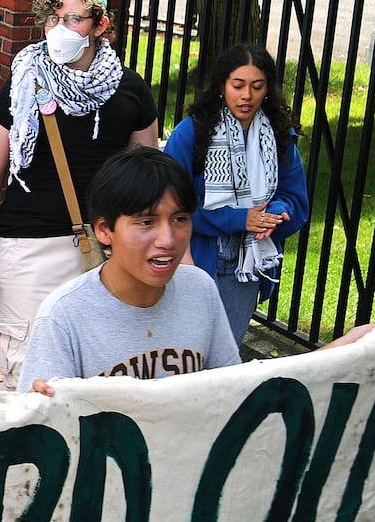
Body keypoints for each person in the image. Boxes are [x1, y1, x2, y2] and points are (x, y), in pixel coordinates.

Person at [0, 0, 159, 390]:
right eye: (53, 18)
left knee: (99, 369)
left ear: (100, 26)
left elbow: (148, 184)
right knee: (28, 371)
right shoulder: (22, 84)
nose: (59, 29)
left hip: (106, 252)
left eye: (72, 19)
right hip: (31, 250)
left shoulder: (130, 91)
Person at [18, 146, 241, 393]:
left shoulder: (200, 289)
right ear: (103, 229)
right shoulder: (63, 316)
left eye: (179, 219)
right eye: (146, 222)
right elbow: (41, 423)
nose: (167, 240)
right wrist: (35, 406)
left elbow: (232, 389)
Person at [164, 43, 309, 345]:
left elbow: (296, 200)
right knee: (183, 352)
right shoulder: (189, 133)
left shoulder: (281, 138)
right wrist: (240, 219)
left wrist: (277, 213)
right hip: (196, 257)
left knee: (225, 357)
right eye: (238, 85)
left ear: (267, 89)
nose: (247, 96)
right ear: (222, 85)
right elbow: (171, 206)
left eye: (257, 87)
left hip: (246, 265)